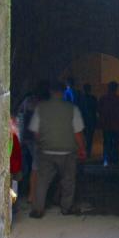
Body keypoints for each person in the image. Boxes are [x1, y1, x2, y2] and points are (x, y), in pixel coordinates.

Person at [28, 81, 86, 217]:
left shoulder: (41, 108)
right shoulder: (72, 109)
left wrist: (42, 143)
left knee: (42, 180)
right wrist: (82, 148)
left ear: (50, 92)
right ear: (62, 92)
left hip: (46, 150)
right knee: (68, 180)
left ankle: (37, 209)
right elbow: (77, 132)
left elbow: (35, 132)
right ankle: (66, 207)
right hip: (67, 151)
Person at [98, 81, 119, 166]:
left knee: (106, 142)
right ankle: (115, 160)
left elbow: (99, 111)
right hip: (116, 125)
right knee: (116, 143)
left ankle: (106, 159)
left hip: (106, 125)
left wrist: (100, 122)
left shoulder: (103, 99)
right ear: (116, 89)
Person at [80, 83, 98, 158]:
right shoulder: (93, 98)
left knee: (84, 138)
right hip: (90, 120)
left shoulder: (80, 98)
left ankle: (85, 152)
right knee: (89, 138)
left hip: (83, 121)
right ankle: (88, 153)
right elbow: (96, 110)